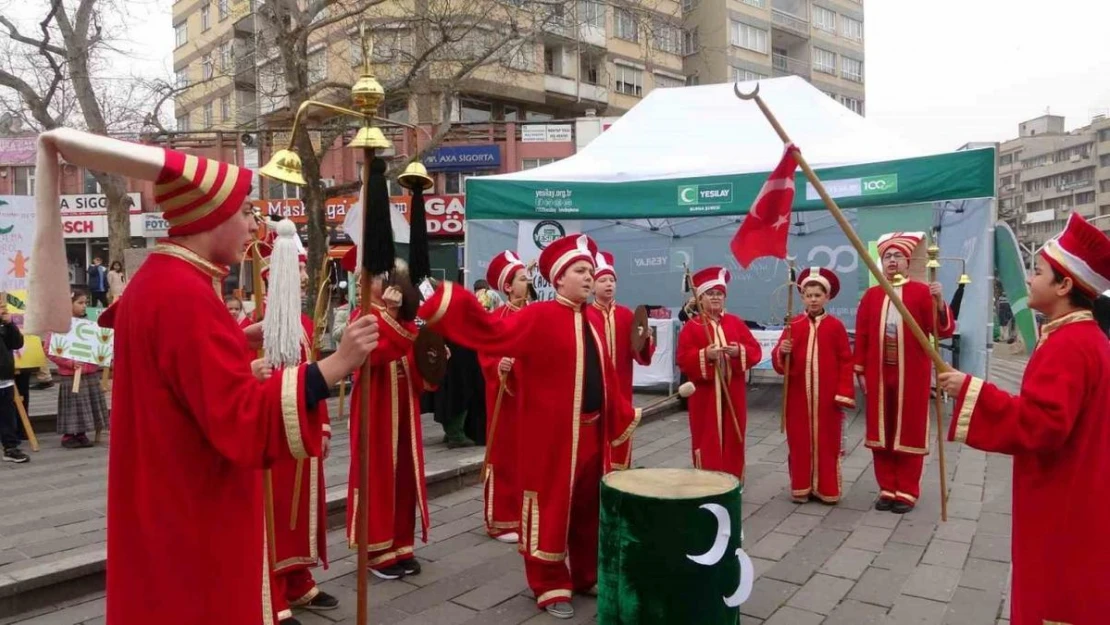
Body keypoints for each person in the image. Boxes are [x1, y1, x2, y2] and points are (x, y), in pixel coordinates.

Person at [25, 128, 380, 625]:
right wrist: (334, 365)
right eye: (243, 213)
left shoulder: (160, 281)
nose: (252, 227)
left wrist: (237, 341)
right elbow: (241, 418)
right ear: (209, 216)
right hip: (193, 505)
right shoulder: (186, 295)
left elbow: (175, 375)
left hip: (164, 494)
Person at [417, 234, 639, 619]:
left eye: (590, 270)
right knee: (551, 507)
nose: (589, 277)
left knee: (589, 508)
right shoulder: (537, 317)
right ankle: (549, 583)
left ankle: (586, 574)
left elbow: (604, 379)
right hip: (550, 437)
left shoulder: (594, 321)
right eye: (580, 271)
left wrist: (619, 413)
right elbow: (491, 335)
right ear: (558, 279)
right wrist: (446, 303)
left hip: (591, 432)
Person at [938, 213, 1110, 625]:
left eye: (1038, 271)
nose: (1030, 279)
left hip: (1065, 496)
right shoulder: (1085, 338)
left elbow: (1043, 424)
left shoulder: (1069, 344)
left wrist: (969, 390)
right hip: (1083, 486)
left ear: (1064, 285)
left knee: (1055, 594)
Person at [342, 253, 433, 581]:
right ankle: (378, 550)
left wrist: (433, 361)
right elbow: (376, 355)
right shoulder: (361, 315)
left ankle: (402, 544)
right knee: (377, 476)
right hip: (376, 408)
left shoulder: (403, 317)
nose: (391, 284)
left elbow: (414, 359)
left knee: (405, 475)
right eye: (384, 277)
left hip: (405, 408)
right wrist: (394, 316)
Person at [854, 232, 953, 514]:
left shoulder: (922, 292)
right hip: (878, 373)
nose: (892, 261)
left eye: (898, 256)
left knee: (908, 429)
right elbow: (861, 334)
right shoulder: (872, 296)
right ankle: (886, 486)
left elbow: (942, 330)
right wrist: (859, 369)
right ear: (881, 262)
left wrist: (939, 302)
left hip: (912, 374)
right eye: (887, 256)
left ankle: (907, 490)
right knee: (881, 431)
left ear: (908, 262)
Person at [771, 268, 855, 503]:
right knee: (799, 442)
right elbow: (779, 362)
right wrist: (782, 352)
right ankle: (801, 487)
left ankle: (826, 488)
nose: (813, 299)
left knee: (827, 443)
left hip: (827, 398)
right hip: (798, 396)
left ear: (827, 297)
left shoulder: (835, 326)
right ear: (802, 298)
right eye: (809, 295)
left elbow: (846, 360)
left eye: (818, 295)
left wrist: (844, 392)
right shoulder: (793, 324)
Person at [676, 267, 761, 482]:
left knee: (734, 434)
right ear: (701, 298)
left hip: (733, 393)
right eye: (710, 294)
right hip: (705, 396)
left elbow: (755, 351)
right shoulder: (693, 327)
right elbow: (683, 360)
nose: (715, 298)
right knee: (707, 436)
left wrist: (737, 352)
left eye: (719, 294)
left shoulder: (735, 322)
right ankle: (708, 481)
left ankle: (732, 480)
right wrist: (705, 355)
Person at [477, 250, 530, 543]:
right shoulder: (496, 319)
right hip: (505, 398)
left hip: (533, 398)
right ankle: (500, 519)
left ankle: (526, 514)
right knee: (505, 455)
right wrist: (499, 365)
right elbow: (485, 353)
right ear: (508, 286)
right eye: (523, 278)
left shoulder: (536, 315)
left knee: (530, 457)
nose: (529, 281)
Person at [589, 250, 654, 468]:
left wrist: (645, 340)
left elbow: (640, 355)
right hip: (594, 390)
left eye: (612, 280)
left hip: (621, 388)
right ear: (592, 286)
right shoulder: (585, 315)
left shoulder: (627, 315)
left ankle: (619, 479)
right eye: (602, 280)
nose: (608, 284)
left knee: (620, 436)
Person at [47, 289, 109, 449]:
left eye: (86, 303)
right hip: (71, 373)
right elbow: (50, 349)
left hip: (89, 372)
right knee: (73, 405)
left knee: (86, 404)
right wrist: (69, 363)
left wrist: (101, 354)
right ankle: (69, 435)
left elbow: (97, 345)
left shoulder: (90, 324)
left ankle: (81, 434)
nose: (84, 306)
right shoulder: (60, 326)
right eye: (80, 303)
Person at [0, 297, 27, 464]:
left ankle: (10, 448)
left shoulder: (4, 324)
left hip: (5, 377)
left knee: (7, 415)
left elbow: (17, 343)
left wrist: (9, 324)